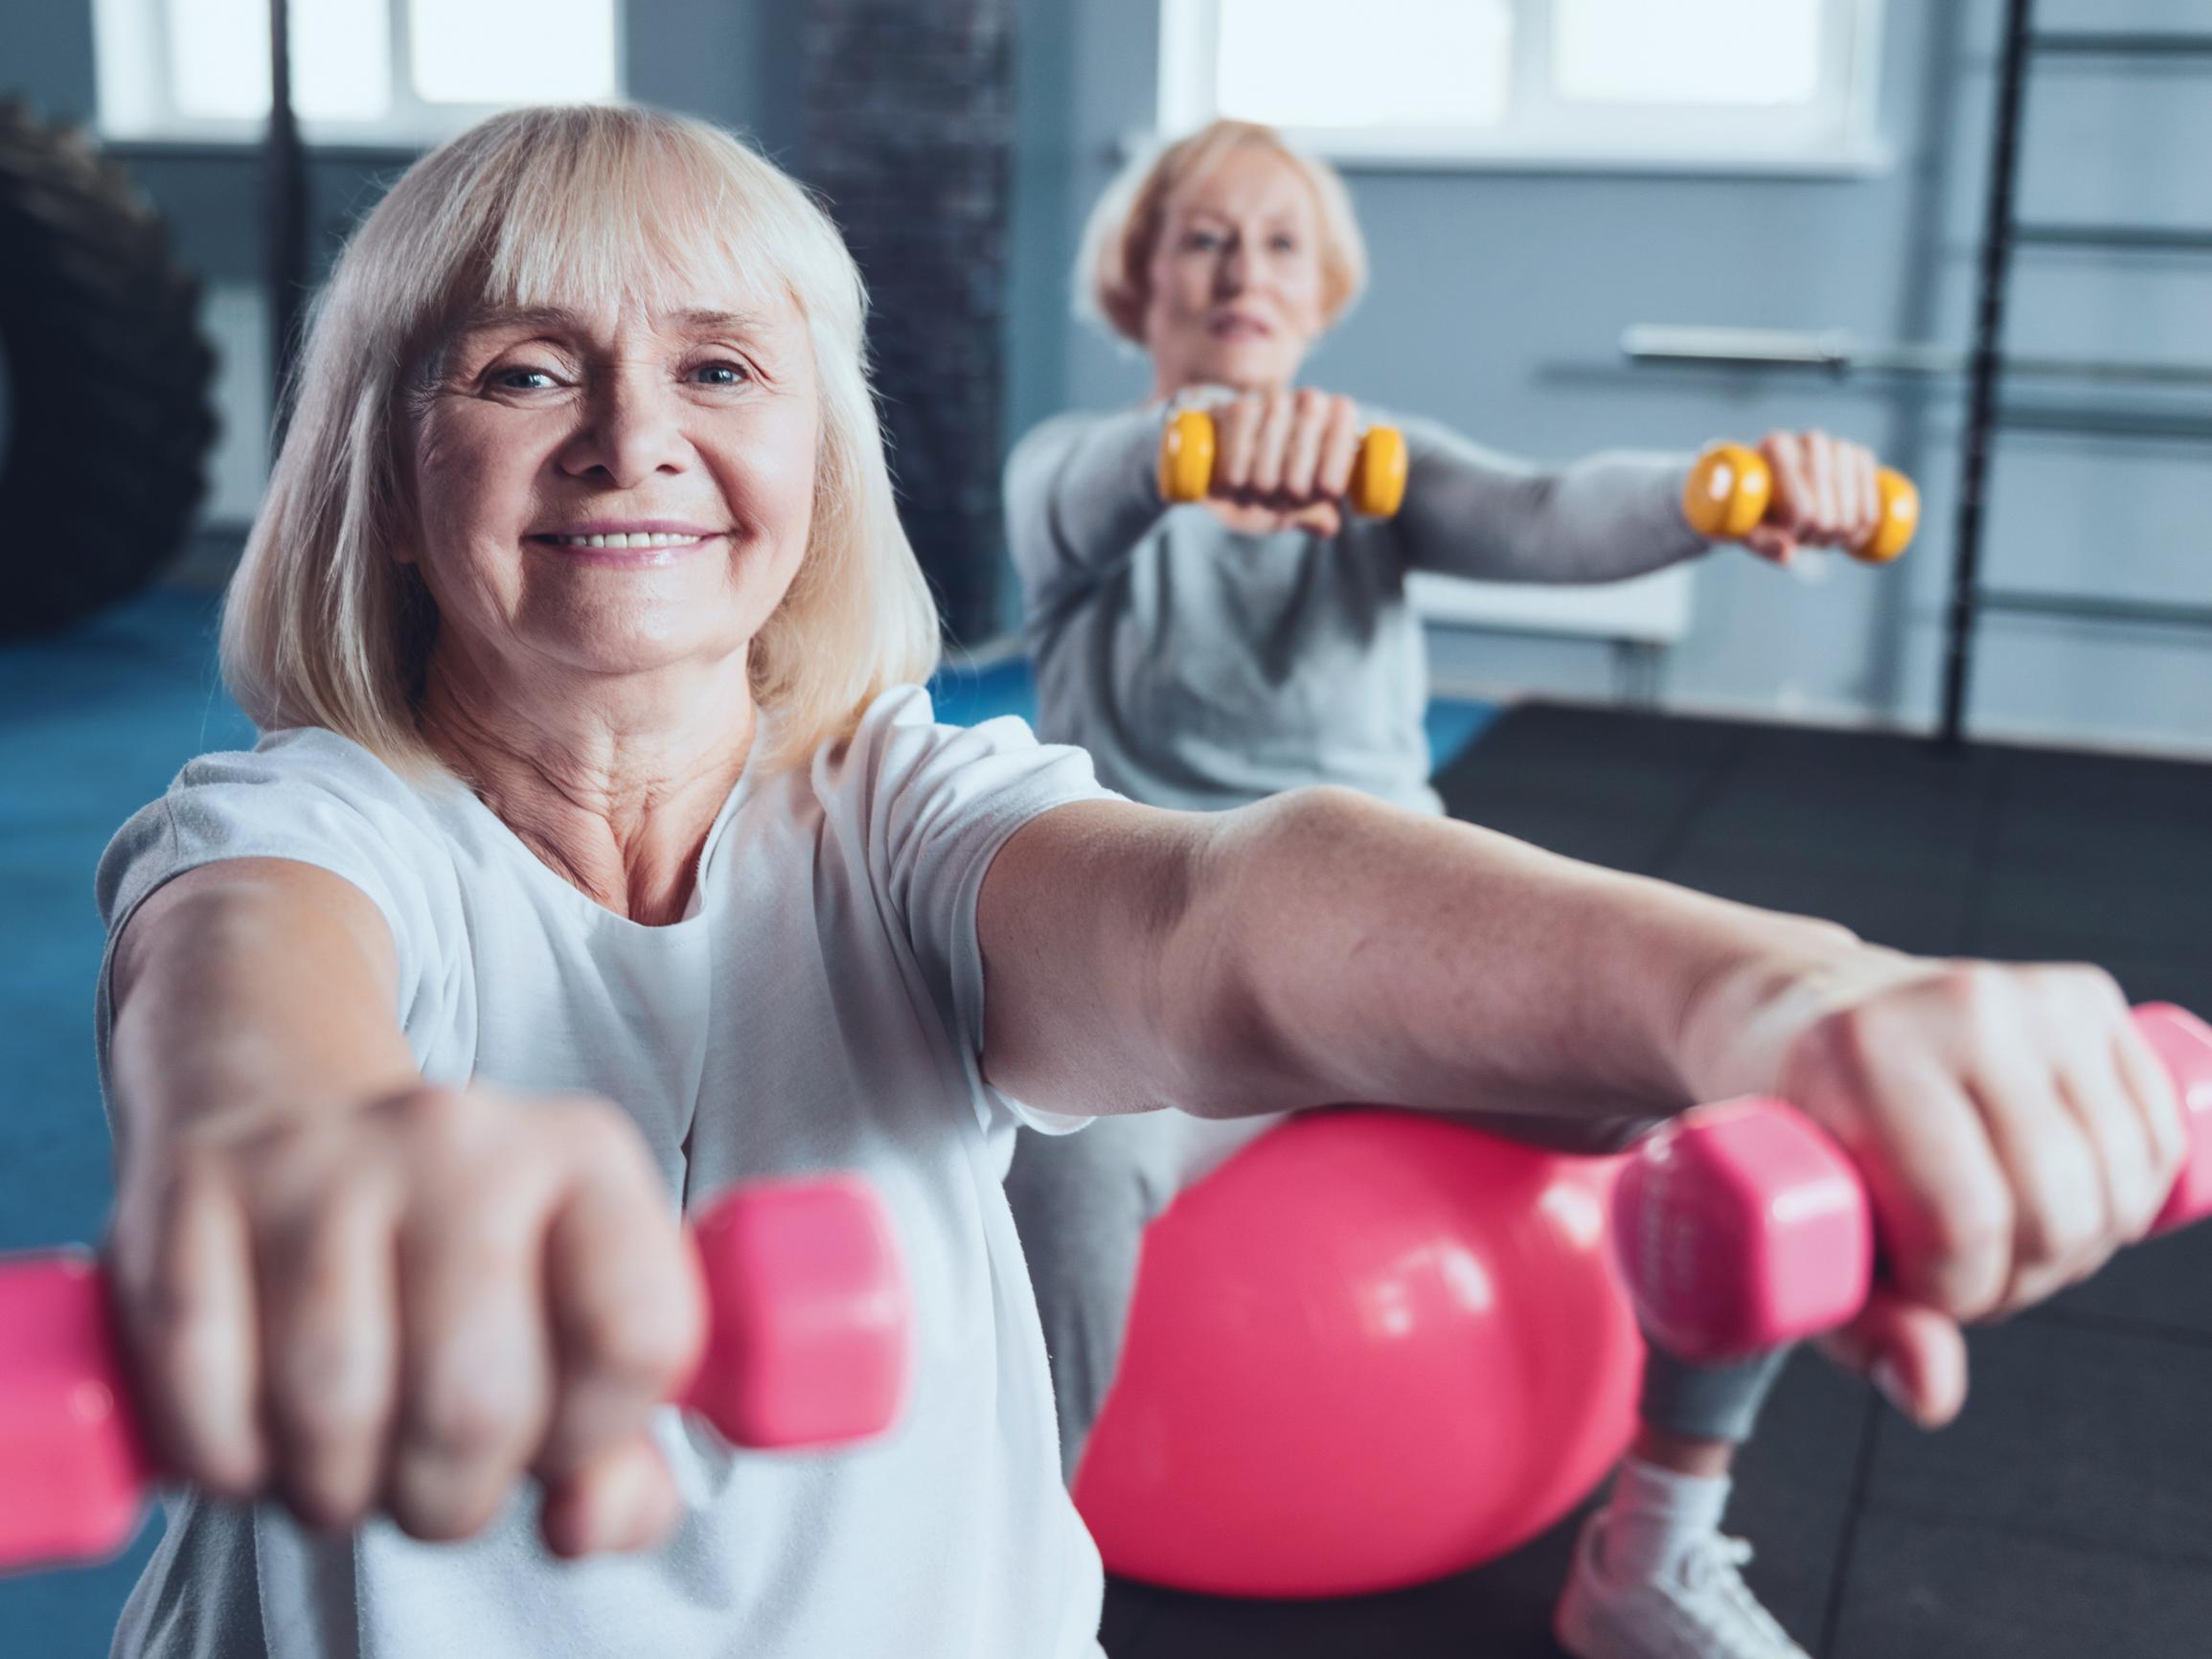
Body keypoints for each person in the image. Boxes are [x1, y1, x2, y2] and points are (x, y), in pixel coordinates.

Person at [94, 104, 2178, 1659]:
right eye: (522, 366)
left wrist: (1792, 999)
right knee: (1087, 1182)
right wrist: (309, 1152)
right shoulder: (302, 834)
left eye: (722, 367)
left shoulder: (896, 811)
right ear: (379, 475)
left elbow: (1220, 907)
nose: (633, 434)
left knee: (1651, 1082)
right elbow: (249, 999)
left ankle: (1671, 1513)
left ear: (813, 466)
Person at [1001, 120, 1929, 1659]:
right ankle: (1003, 1586)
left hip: (1394, 957)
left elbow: (1554, 511)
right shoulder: (1071, 475)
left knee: (1740, 1094)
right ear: (1137, 280)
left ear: (1323, 289)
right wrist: (1199, 448)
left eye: (1280, 242)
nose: (1244, 270)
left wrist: (1725, 486)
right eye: (1205, 239)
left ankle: (1655, 1550)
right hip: (1169, 985)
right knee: (1072, 1160)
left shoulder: (1391, 469)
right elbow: (1092, 484)